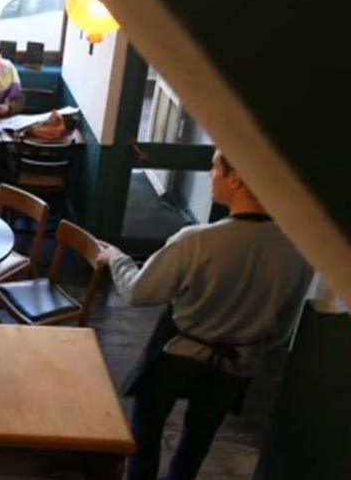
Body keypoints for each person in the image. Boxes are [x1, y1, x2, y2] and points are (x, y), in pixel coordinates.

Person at [96, 151, 312, 480]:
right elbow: (283, 327)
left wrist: (117, 258)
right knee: (199, 439)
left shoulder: (197, 241)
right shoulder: (297, 248)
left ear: (236, 179)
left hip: (178, 356)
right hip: (238, 363)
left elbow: (139, 292)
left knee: (147, 428)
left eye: (215, 168)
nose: (210, 176)